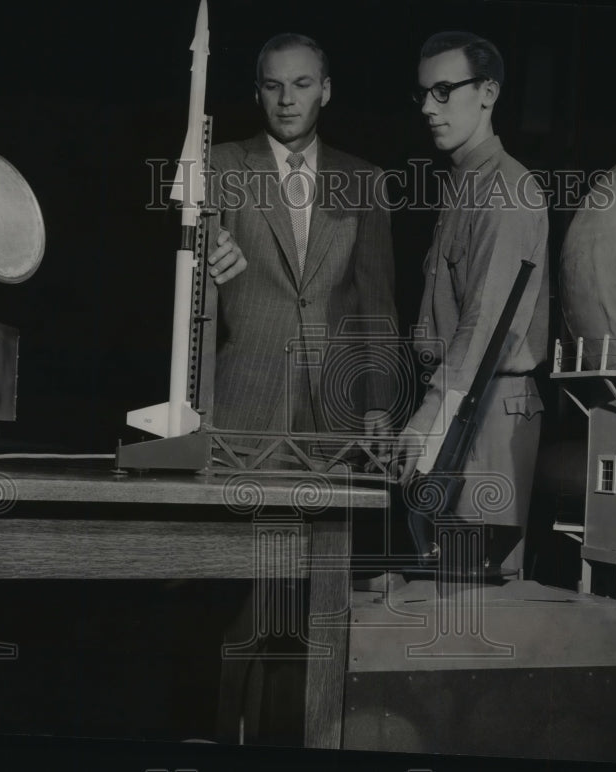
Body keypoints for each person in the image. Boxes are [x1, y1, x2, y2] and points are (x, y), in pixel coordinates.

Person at [395, 31, 549, 577]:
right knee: (446, 586)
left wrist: (428, 417)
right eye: (423, 95)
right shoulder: (465, 184)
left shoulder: (504, 191)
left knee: (474, 595)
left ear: (487, 92)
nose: (430, 109)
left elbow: (483, 323)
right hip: (461, 402)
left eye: (444, 91)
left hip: (481, 413)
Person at [206, 33, 399, 458]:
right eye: (273, 86)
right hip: (241, 406)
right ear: (258, 94)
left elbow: (377, 302)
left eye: (302, 84)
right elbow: (190, 261)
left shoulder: (366, 181)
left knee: (330, 527)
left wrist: (380, 401)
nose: (287, 99)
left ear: (325, 91)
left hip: (336, 408)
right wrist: (207, 250)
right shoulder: (219, 166)